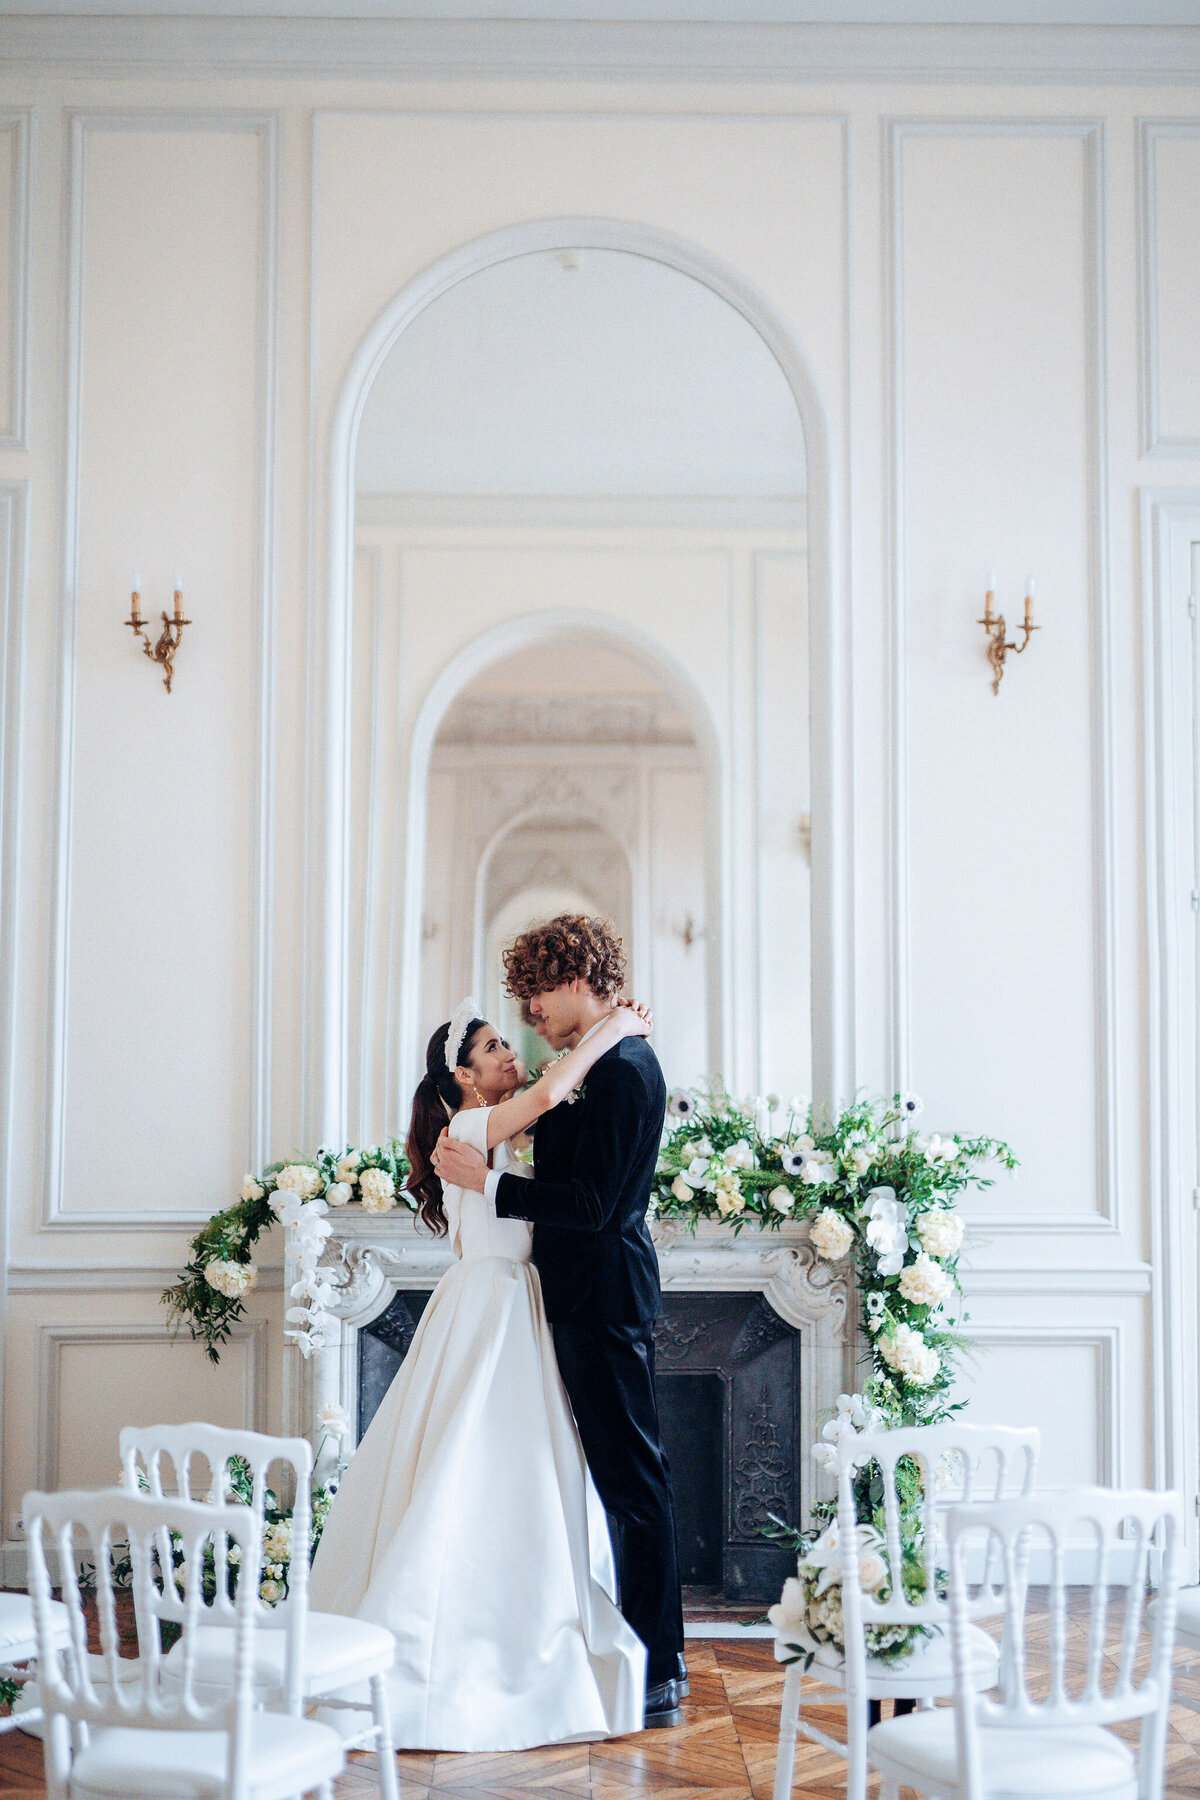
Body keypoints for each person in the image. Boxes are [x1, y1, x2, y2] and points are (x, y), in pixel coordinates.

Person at [309, 997, 653, 1751]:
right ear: (461, 1077)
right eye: (494, 1045)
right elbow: (547, 1092)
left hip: (517, 1307)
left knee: (517, 1472)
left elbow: (556, 1131)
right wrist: (613, 1029)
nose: (510, 1053)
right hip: (490, 1311)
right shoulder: (468, 1129)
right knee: (476, 1462)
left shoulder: (504, 1136)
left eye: (507, 1042)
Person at [433, 914, 687, 1730]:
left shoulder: (624, 1071)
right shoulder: (596, 1063)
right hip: (572, 1301)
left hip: (605, 1299)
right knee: (609, 1481)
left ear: (575, 977)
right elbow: (546, 1113)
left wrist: (493, 1186)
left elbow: (596, 1206)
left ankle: (659, 1665)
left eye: (535, 993)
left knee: (633, 1483)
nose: (529, 1013)